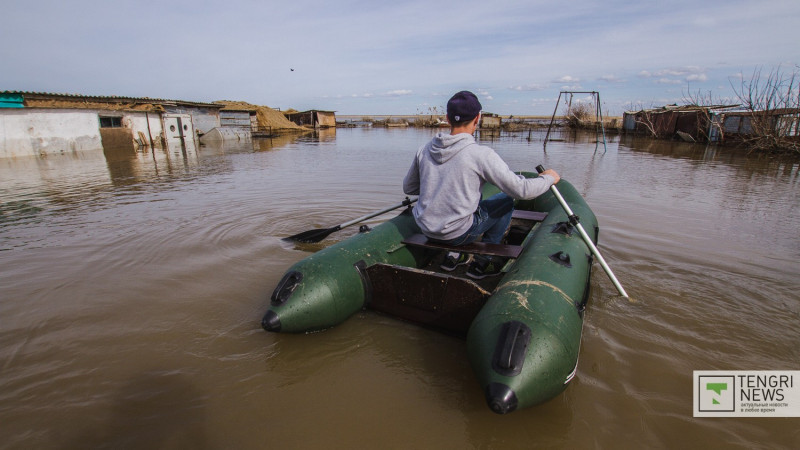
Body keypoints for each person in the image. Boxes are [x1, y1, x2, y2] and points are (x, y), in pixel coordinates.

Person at [403, 90, 560, 279]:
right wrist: (549, 178)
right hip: (457, 234)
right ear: (478, 118)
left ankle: (453, 256)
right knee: (506, 201)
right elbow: (521, 190)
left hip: (426, 228)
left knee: (478, 204)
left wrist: (436, 182)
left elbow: (409, 188)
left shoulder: (425, 150)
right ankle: (482, 262)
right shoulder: (480, 154)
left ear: (447, 118)